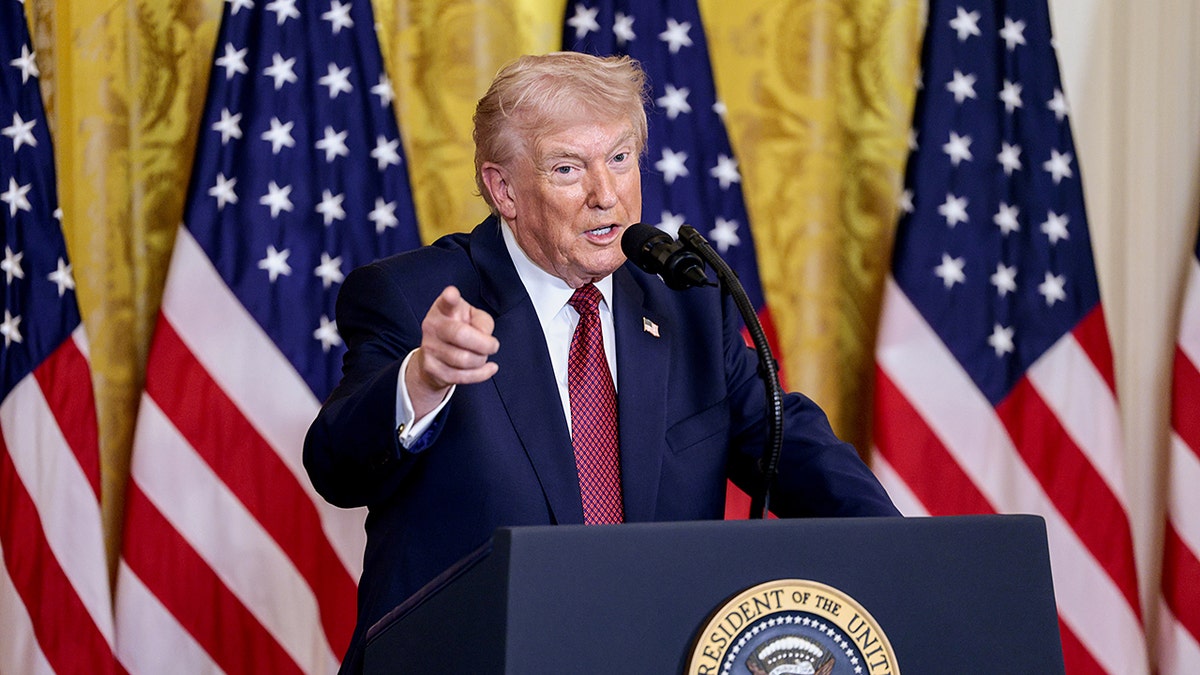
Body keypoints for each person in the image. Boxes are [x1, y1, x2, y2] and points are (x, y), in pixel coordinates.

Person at [303, 51, 898, 673]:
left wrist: (907, 553)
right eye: (568, 168)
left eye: (619, 159)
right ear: (503, 188)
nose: (606, 195)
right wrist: (423, 379)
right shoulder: (415, 296)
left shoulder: (689, 301)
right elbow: (336, 467)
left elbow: (786, 442)